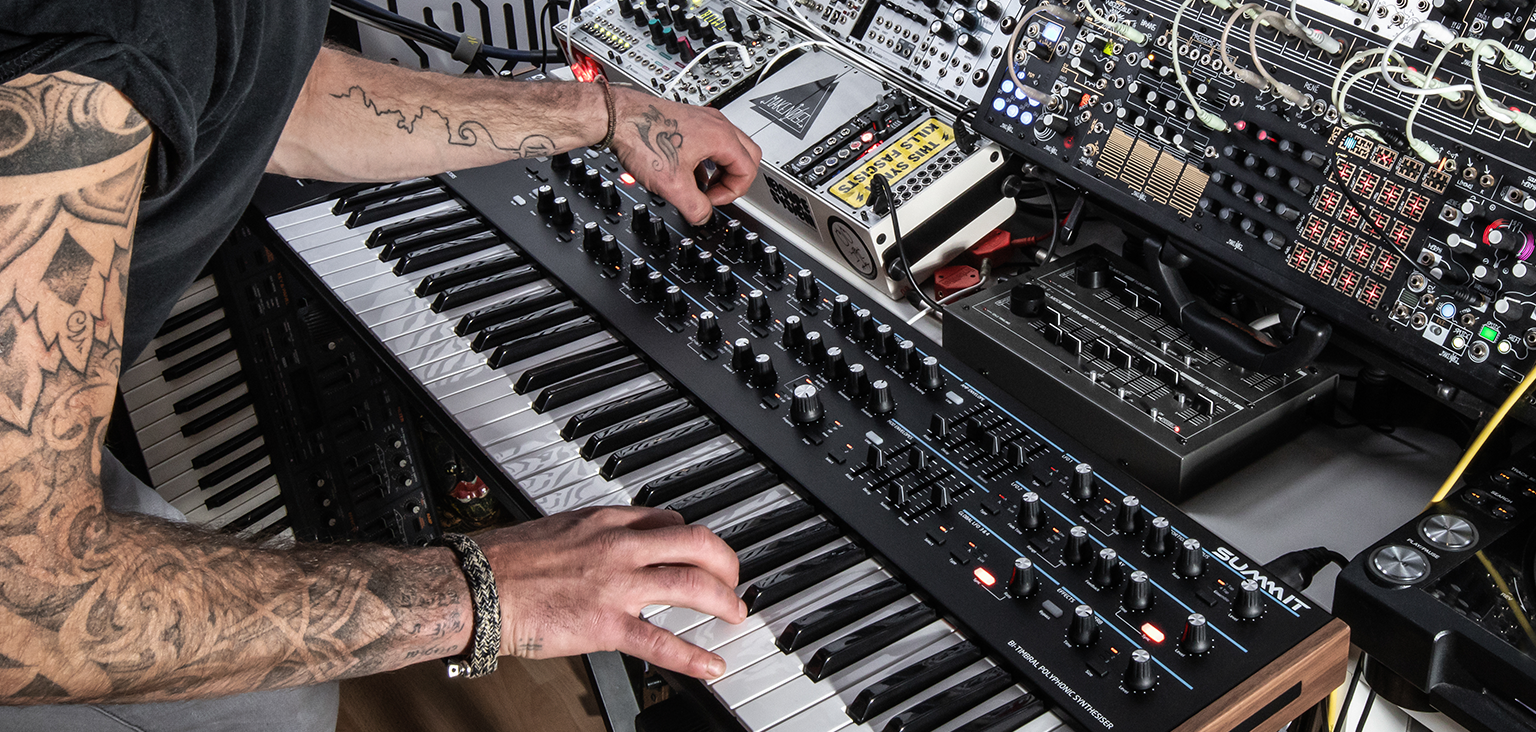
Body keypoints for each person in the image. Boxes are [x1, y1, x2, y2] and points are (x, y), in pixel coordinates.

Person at [0, 0, 763, 729]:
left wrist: (605, 115)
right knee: (270, 713)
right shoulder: (85, 56)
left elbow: (288, 95)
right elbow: (25, 602)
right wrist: (481, 590)